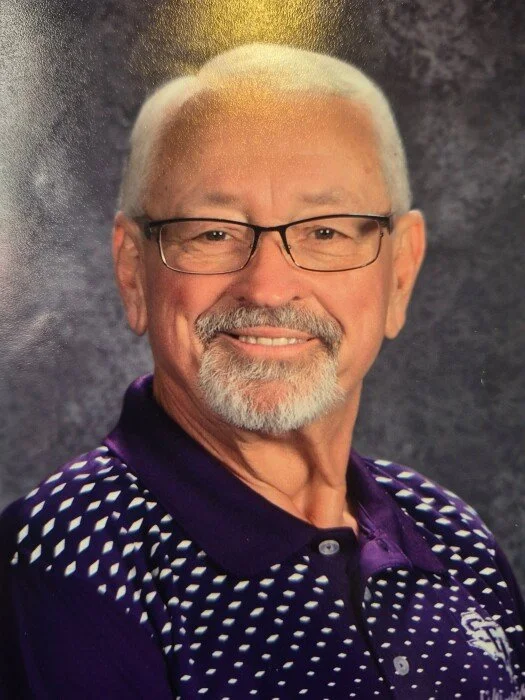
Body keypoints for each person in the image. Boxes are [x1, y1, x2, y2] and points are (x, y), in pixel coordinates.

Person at [0, 42, 523, 699]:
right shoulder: (62, 560)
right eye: (212, 232)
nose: (269, 288)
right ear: (133, 272)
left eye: (326, 232)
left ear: (400, 274)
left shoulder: (453, 536)